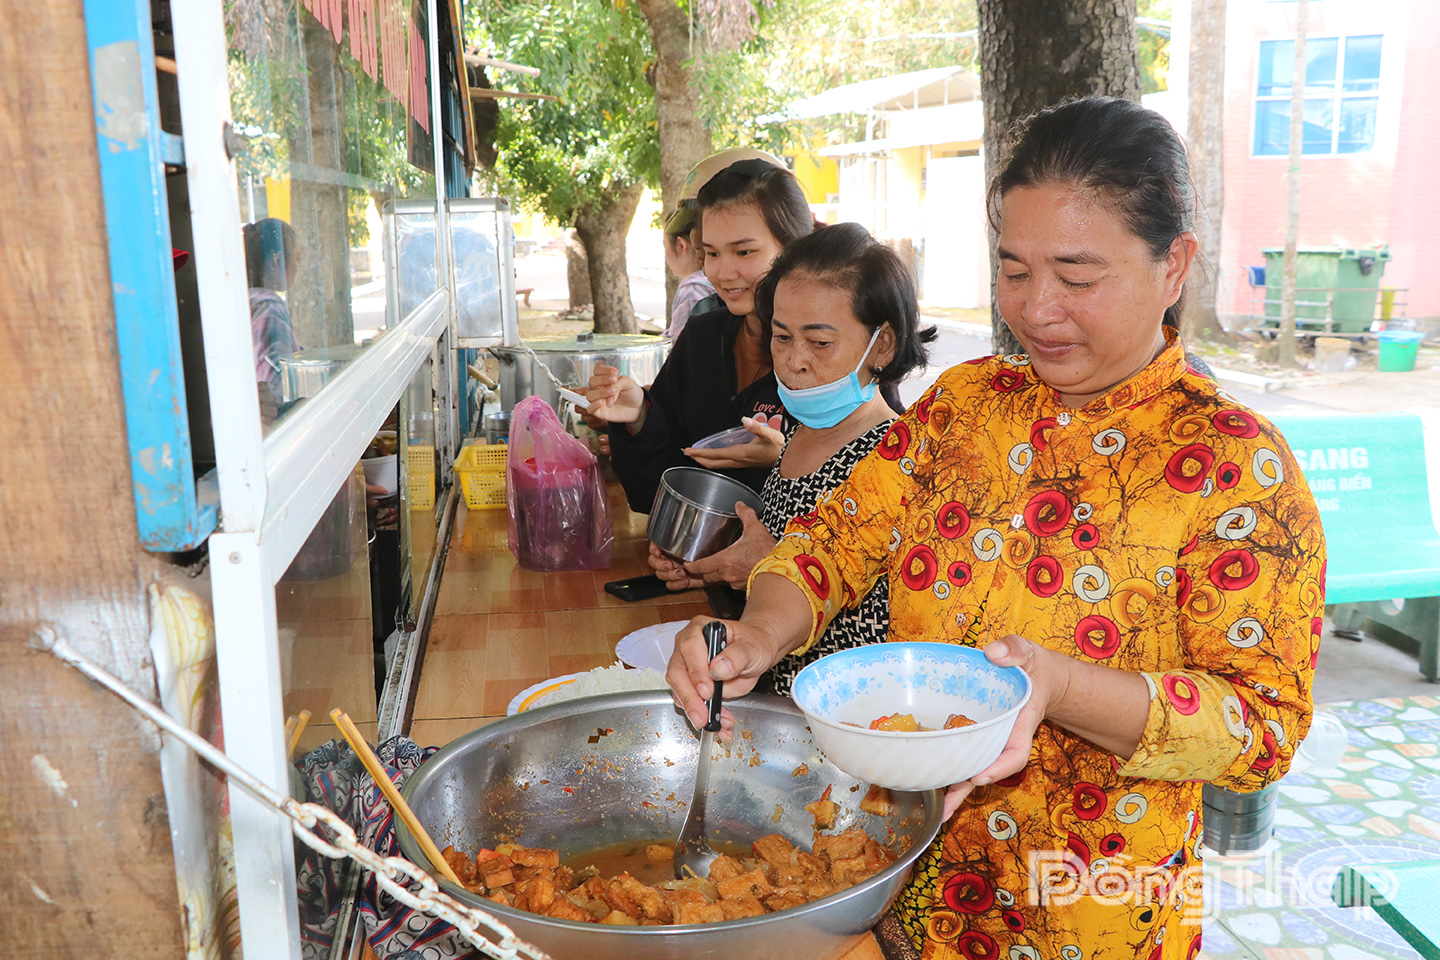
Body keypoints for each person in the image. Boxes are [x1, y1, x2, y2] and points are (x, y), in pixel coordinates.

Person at [668, 97, 1325, 960]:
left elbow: (1262, 727)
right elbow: (833, 540)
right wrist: (757, 631)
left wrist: (1059, 686)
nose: (1036, 309)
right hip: (899, 879)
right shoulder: (968, 405)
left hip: (1082, 913)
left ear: (1175, 267)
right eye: (1014, 270)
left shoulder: (1236, 468)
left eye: (1077, 277)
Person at [650, 222, 935, 694]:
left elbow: (890, 624)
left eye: (820, 343)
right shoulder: (803, 429)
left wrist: (768, 568)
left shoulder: (892, 459)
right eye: (781, 337)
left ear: (881, 345)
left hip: (844, 714)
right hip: (767, 693)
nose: (794, 360)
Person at [585, 149, 810, 513]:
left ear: (793, 247)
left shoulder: (834, 351)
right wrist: (640, 415)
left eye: (744, 252)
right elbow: (661, 484)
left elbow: (876, 480)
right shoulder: (702, 338)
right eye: (712, 254)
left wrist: (789, 459)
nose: (721, 273)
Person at [243, 217, 301, 401]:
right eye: (297, 258)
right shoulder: (269, 306)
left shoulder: (246, 301)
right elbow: (278, 387)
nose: (298, 267)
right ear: (278, 260)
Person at [661, 206, 715, 340]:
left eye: (664, 245)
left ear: (681, 245)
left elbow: (680, 351)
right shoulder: (714, 283)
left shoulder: (692, 292)